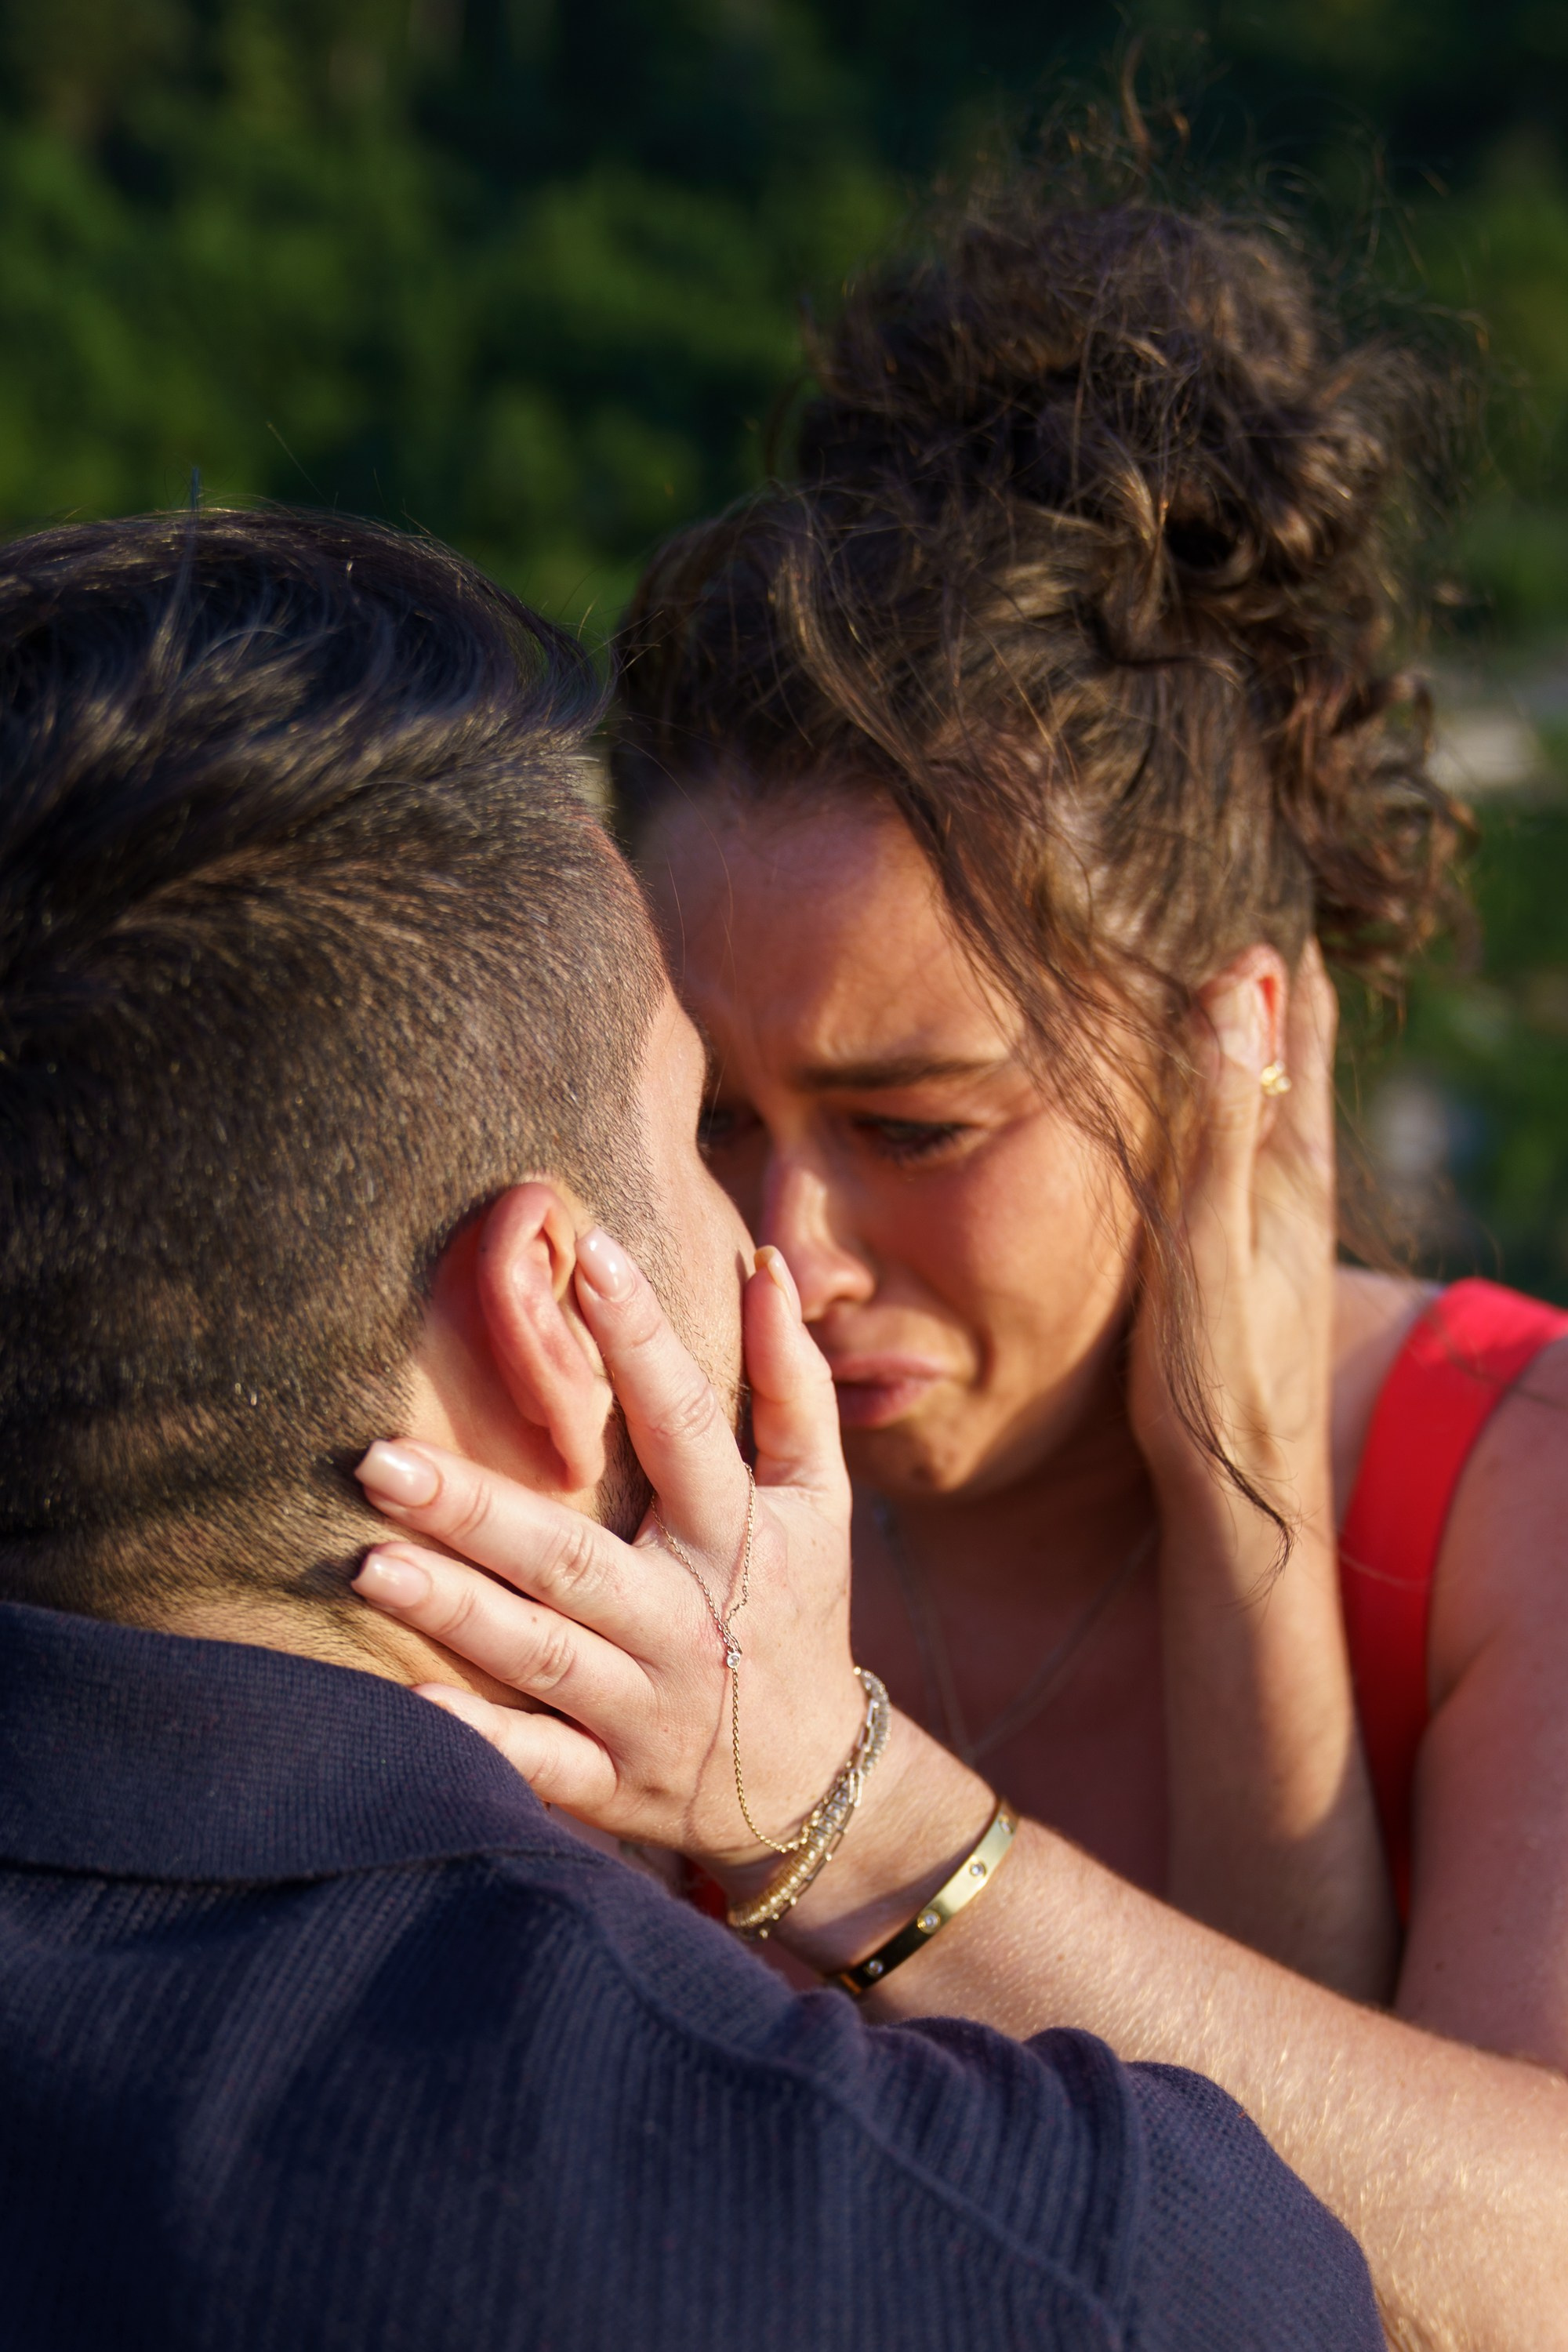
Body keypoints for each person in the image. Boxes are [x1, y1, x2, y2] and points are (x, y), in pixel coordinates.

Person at [0, 507, 1380, 2350]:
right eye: (701, 1123)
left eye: (912, 1125)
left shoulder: (1493, 1464)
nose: (781, 1258)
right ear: (556, 1314)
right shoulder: (1041, 2253)